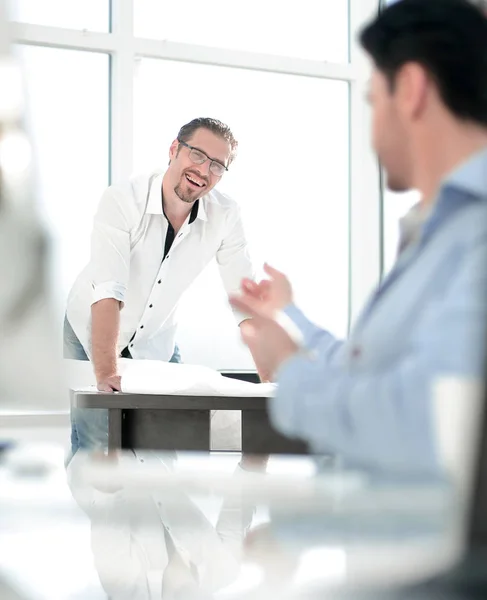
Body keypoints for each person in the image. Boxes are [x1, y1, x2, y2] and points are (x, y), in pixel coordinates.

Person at [231, 0, 487, 475]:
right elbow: (366, 373)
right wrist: (288, 317)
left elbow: (422, 424)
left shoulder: (474, 233)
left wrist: (289, 372)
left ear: (410, 90)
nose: (371, 126)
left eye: (373, 100)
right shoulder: (442, 231)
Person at [65, 117, 265, 458]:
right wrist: (108, 374)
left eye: (218, 165)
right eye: (198, 155)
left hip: (156, 338)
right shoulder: (122, 200)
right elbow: (108, 290)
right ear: (174, 150)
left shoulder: (226, 215)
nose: (204, 170)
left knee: (162, 446)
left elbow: (246, 303)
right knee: (99, 447)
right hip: (92, 330)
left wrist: (271, 385)